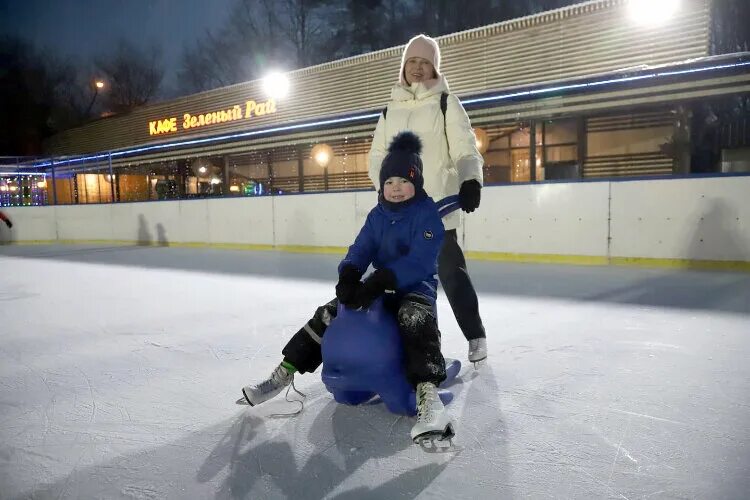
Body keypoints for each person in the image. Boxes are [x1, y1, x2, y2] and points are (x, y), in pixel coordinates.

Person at [243, 132, 454, 443]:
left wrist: (383, 279)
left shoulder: (427, 215)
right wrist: (350, 274)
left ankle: (427, 394)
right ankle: (284, 372)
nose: (395, 187)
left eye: (403, 181)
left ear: (416, 184)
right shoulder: (377, 215)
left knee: (412, 317)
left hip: (415, 287)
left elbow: (421, 261)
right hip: (378, 285)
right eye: (389, 181)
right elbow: (360, 248)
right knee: (328, 313)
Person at [368, 34, 487, 364]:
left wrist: (470, 181)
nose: (418, 68)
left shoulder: (446, 102)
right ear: (403, 67)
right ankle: (413, 348)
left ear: (434, 68)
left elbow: (465, 150)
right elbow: (377, 155)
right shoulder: (389, 109)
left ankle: (475, 335)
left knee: (451, 275)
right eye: (412, 62)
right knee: (403, 283)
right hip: (399, 213)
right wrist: (384, 186)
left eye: (425, 62)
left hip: (437, 210)